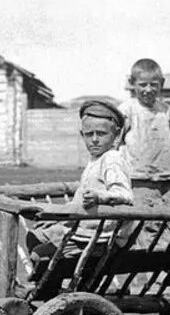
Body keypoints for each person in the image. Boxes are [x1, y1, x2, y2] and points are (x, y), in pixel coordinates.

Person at [27, 100, 132, 298]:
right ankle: (57, 284)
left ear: (116, 135)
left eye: (101, 134)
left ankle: (49, 289)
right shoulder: (96, 160)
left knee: (39, 253)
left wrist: (100, 197)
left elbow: (125, 195)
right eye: (88, 134)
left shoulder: (112, 159)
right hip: (88, 229)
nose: (94, 140)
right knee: (38, 237)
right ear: (81, 134)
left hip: (101, 236)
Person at [117, 59, 170, 207]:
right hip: (139, 177)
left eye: (154, 84)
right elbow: (116, 143)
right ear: (132, 83)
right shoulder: (127, 110)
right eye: (143, 84)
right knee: (145, 220)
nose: (148, 89)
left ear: (162, 84)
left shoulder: (166, 110)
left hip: (167, 177)